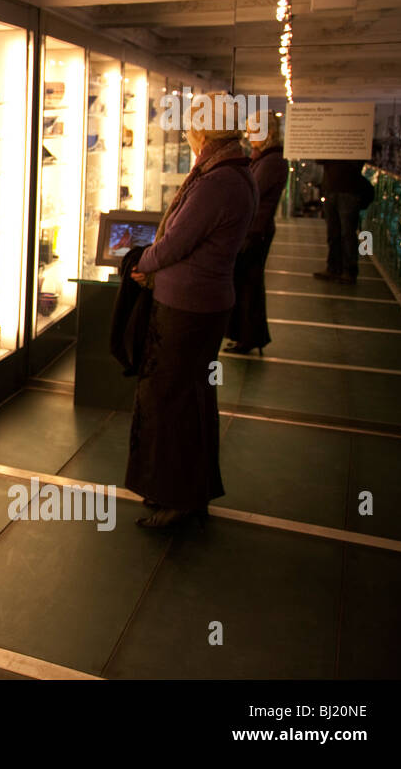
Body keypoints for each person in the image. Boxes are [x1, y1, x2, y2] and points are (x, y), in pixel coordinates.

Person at [127, 93, 257, 529]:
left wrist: (140, 265)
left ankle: (177, 496)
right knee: (190, 398)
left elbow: (178, 242)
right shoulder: (233, 173)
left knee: (173, 399)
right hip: (201, 303)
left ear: (205, 132)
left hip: (187, 309)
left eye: (191, 127)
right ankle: (183, 490)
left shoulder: (218, 182)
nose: (187, 134)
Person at [226, 112, 289, 355]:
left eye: (254, 130)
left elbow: (253, 191)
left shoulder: (272, 161)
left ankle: (250, 336)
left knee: (249, 284)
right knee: (246, 283)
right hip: (255, 230)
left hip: (255, 233)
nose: (249, 134)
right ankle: (247, 335)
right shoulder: (265, 158)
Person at [315, 159, 369, 285]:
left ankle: (348, 270)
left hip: (348, 189)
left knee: (347, 233)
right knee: (333, 232)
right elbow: (319, 159)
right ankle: (334, 267)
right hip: (332, 188)